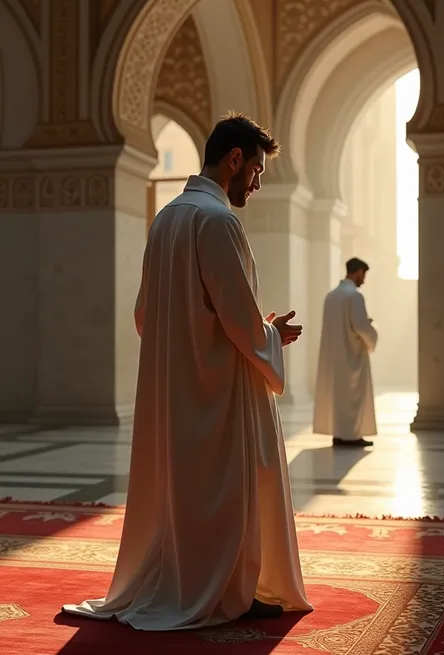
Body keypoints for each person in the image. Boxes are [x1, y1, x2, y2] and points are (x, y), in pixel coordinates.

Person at [62, 112, 312, 630]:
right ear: (235, 159)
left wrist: (197, 340)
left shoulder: (167, 218)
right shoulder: (218, 221)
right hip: (220, 393)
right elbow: (240, 324)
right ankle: (227, 593)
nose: (259, 182)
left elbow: (144, 316)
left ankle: (193, 583)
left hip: (179, 388)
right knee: (230, 490)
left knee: (188, 494)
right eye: (257, 170)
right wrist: (270, 333)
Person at [313, 257, 378, 448]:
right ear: (358, 272)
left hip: (333, 357)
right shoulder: (354, 296)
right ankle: (351, 436)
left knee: (338, 398)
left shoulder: (331, 296)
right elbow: (360, 326)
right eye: (363, 275)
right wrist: (371, 332)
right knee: (351, 398)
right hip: (351, 355)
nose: (363, 280)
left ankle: (339, 434)